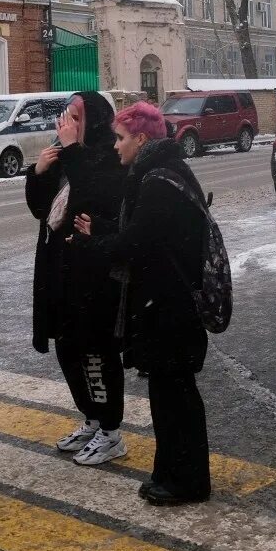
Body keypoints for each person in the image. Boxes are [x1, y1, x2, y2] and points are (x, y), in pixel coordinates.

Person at [72, 102, 211, 505]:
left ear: (142, 138)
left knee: (175, 397)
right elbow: (144, 233)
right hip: (166, 302)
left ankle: (186, 482)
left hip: (168, 305)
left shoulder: (157, 181)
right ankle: (171, 474)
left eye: (120, 138)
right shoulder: (161, 172)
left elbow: (137, 245)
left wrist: (91, 244)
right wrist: (101, 229)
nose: (116, 146)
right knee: (170, 395)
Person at [26, 92, 129, 464]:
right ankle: (92, 418)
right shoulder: (69, 154)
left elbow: (95, 200)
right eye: (65, 116)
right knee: (67, 346)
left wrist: (71, 151)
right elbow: (42, 209)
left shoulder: (108, 154)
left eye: (74, 117)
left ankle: (111, 431)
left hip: (93, 275)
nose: (65, 124)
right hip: (60, 267)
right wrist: (38, 172)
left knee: (95, 351)